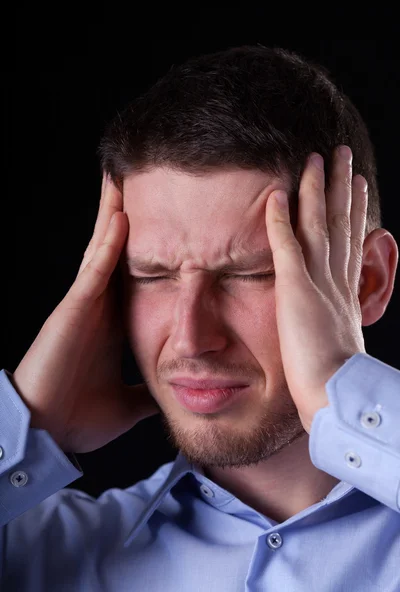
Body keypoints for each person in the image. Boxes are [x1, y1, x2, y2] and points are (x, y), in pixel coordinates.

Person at [1, 44, 399, 591]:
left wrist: (346, 396)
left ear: (368, 280)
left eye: (250, 274)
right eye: (152, 276)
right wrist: (26, 423)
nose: (191, 339)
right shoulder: (42, 558)